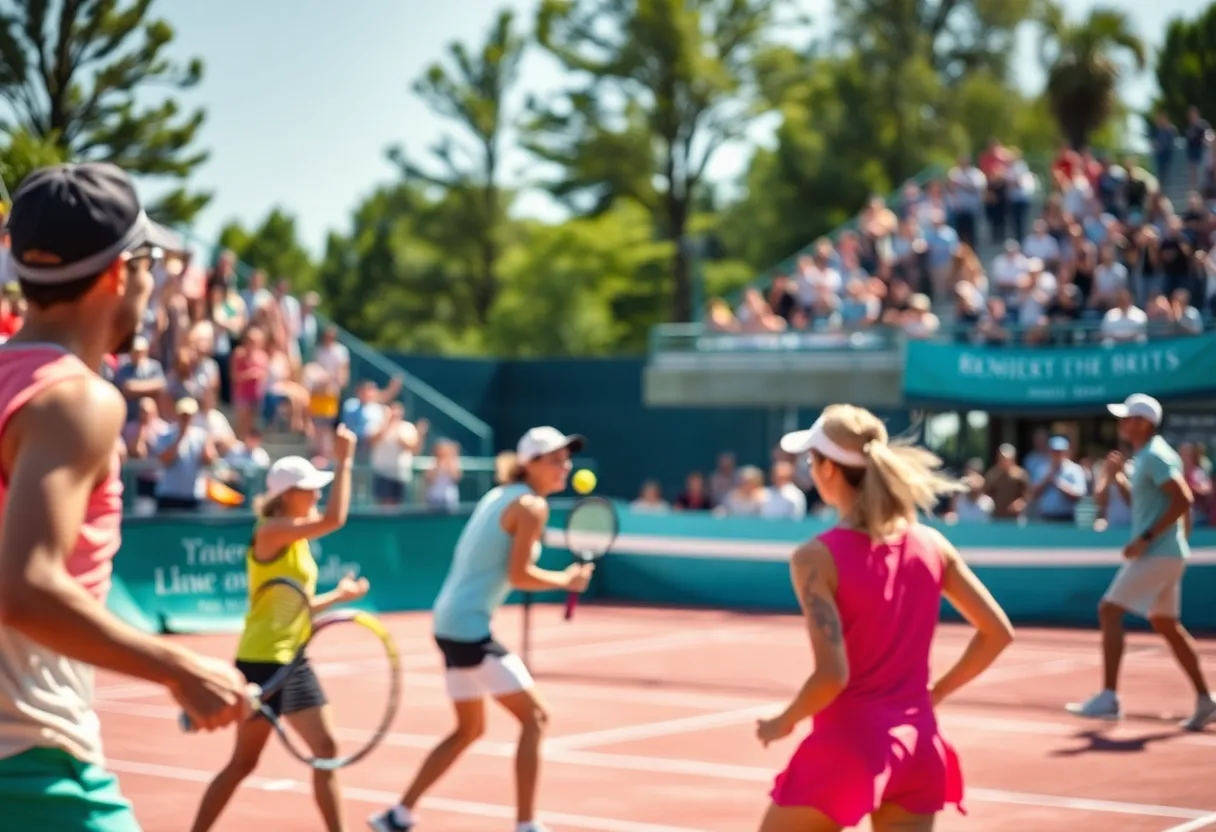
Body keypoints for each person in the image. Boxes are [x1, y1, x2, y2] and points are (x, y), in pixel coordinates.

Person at [0, 162, 251, 830]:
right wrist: (179, 668)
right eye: (150, 263)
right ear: (120, 273)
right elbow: (25, 589)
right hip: (27, 764)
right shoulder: (74, 401)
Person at [754, 405, 1015, 832]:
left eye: (811, 459)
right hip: (919, 748)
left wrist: (785, 719)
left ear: (829, 471)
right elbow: (997, 633)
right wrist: (935, 694)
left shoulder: (815, 558)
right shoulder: (932, 545)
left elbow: (831, 676)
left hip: (848, 745)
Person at [368, 427, 595, 832]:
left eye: (567, 459)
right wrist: (566, 580)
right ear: (530, 464)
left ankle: (397, 814)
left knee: (468, 729)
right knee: (536, 718)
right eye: (556, 459)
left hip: (449, 621)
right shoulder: (530, 507)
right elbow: (519, 574)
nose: (566, 466)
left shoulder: (500, 495)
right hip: (468, 627)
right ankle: (526, 826)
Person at [190, 430, 370, 832]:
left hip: (295, 658)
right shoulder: (270, 531)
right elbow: (335, 520)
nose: (316, 496)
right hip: (262, 661)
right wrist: (344, 460)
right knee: (243, 763)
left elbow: (296, 603)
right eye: (309, 490)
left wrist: (338, 596)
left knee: (326, 750)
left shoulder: (296, 538)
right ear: (287, 494)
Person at [1066, 394, 1216, 730]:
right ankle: (1206, 700)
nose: (1121, 424)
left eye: (1127, 418)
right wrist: (1119, 478)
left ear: (1143, 423)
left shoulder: (1155, 456)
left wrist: (1146, 540)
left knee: (1109, 610)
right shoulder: (1150, 456)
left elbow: (1183, 499)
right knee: (1166, 625)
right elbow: (1150, 503)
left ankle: (1108, 698)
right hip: (1168, 553)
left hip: (1158, 553)